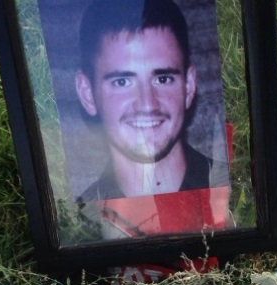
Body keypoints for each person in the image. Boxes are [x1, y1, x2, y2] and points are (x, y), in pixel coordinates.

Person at [74, 0, 228, 209]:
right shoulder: (75, 225)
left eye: (163, 79)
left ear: (189, 86)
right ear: (87, 94)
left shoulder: (239, 193)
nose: (147, 104)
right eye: (122, 82)